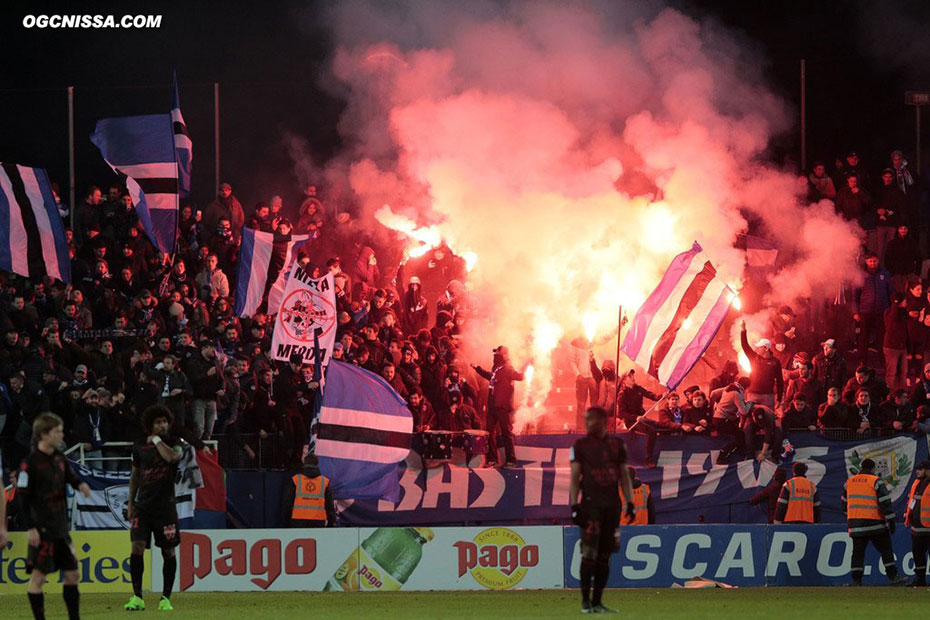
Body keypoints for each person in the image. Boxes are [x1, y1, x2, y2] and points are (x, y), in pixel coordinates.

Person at [17, 412, 91, 620]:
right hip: (42, 529)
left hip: (60, 529)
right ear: (44, 434)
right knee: (39, 578)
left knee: (72, 575)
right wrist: (30, 528)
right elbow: (23, 498)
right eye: (57, 431)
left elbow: (70, 476)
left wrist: (81, 484)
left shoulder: (59, 458)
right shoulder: (29, 463)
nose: (61, 435)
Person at [569, 407, 634, 613]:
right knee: (589, 552)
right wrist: (574, 505)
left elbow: (624, 475)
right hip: (590, 506)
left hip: (612, 507)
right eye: (586, 420)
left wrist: (630, 502)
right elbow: (574, 477)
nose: (587, 424)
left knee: (605, 554)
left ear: (603, 421)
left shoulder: (617, 445)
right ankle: (585, 602)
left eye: (591, 420)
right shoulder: (580, 445)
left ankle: (598, 602)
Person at [125, 405, 183, 612]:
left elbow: (172, 458)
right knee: (137, 547)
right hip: (143, 507)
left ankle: (165, 598)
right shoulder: (139, 446)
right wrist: (131, 502)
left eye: (164, 421)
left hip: (165, 508)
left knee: (168, 551)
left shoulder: (176, 443)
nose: (162, 425)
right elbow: (135, 476)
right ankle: (137, 597)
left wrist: (157, 440)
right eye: (158, 422)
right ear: (151, 425)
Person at [841, 458, 906, 586]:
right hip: (875, 524)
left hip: (856, 526)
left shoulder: (849, 482)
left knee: (857, 553)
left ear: (861, 467)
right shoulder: (875, 481)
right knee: (886, 550)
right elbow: (885, 502)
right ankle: (893, 578)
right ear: (872, 469)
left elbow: (843, 504)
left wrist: (853, 517)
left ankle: (856, 581)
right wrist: (891, 520)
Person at [473, 346, 525, 468]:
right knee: (490, 433)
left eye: (497, 353)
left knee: (506, 433)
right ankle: (492, 459)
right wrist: (478, 369)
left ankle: (511, 460)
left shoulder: (507, 369)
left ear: (504, 355)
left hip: (503, 407)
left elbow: (520, 376)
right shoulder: (497, 369)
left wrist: (528, 366)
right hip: (492, 407)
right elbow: (490, 376)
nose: (495, 355)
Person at [853, 254, 894, 365]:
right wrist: (855, 312)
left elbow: (891, 292)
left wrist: (891, 309)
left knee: (882, 337)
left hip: (882, 311)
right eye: (870, 261)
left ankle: (882, 360)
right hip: (865, 311)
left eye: (874, 261)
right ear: (866, 262)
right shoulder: (861, 275)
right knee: (863, 338)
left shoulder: (884, 274)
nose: (872, 263)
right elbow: (855, 295)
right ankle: (862, 360)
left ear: (878, 261)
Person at [739, 321, 783, 410]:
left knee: (767, 419)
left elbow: (779, 381)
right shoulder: (754, 357)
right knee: (751, 419)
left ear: (766, 348)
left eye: (759, 347)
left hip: (768, 396)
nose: (757, 349)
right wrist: (743, 330)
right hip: (753, 394)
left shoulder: (775, 362)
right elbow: (745, 345)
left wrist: (779, 399)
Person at [283, 453, 334, 528]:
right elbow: (329, 505)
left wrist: (286, 519)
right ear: (317, 463)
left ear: (304, 462)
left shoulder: (296, 480)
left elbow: (287, 501)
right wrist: (331, 521)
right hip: (318, 520)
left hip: (298, 520)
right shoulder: (324, 481)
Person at [904, 460, 930, 587]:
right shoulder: (917, 483)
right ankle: (920, 579)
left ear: (927, 470)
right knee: (918, 554)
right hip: (917, 527)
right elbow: (911, 502)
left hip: (927, 527)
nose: (917, 471)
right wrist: (908, 517)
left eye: (920, 469)